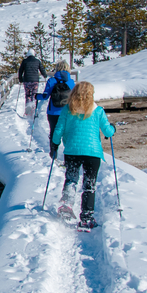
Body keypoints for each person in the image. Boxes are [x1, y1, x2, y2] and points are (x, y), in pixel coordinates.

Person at [50, 81, 116, 230]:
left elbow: (58, 130)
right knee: (89, 184)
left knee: (71, 179)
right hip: (92, 153)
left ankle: (67, 204)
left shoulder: (67, 110)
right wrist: (113, 128)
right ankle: (86, 218)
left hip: (72, 151)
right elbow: (107, 132)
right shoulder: (97, 110)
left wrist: (55, 144)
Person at [36, 60, 75, 149]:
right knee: (67, 133)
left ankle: (53, 153)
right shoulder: (71, 82)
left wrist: (37, 96)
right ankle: (68, 155)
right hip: (67, 112)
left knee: (54, 132)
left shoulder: (52, 81)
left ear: (57, 68)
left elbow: (45, 96)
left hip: (53, 112)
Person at [18, 49, 47, 116]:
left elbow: (20, 71)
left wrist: (20, 79)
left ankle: (28, 111)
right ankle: (34, 110)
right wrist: (44, 75)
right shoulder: (37, 61)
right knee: (34, 95)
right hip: (35, 81)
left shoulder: (25, 61)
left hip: (27, 80)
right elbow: (42, 69)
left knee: (28, 95)